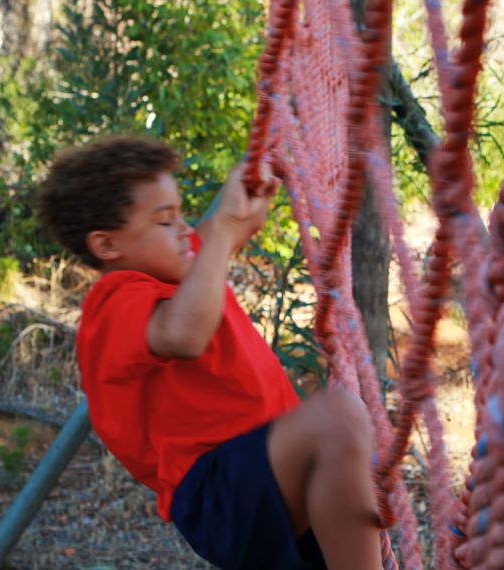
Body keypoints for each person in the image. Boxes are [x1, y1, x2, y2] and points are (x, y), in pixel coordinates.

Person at [36, 135, 382, 569]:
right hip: (219, 492)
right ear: (107, 246)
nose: (184, 229)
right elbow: (184, 334)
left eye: (181, 213)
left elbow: (232, 231)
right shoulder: (114, 299)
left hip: (272, 471)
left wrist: (259, 178)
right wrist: (221, 233)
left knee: (346, 483)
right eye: (165, 221)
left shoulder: (181, 270)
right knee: (340, 418)